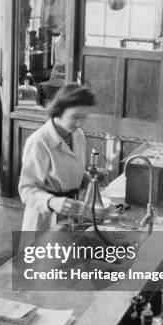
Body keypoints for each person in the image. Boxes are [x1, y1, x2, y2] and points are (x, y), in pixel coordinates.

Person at [19, 84, 97, 231]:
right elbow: (26, 190)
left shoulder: (77, 134)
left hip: (70, 214)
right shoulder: (39, 142)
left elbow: (66, 174)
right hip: (44, 218)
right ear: (59, 111)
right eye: (75, 117)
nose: (80, 123)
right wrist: (52, 202)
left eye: (84, 117)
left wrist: (88, 177)